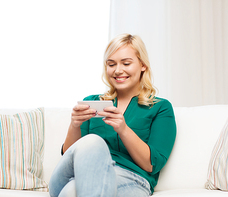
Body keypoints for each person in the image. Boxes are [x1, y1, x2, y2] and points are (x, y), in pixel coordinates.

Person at [49, 33, 176, 197]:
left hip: (132, 179)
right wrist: (74, 125)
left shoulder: (160, 108)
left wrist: (123, 129)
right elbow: (69, 156)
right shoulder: (91, 102)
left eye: (126, 63)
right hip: (80, 173)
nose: (117, 70)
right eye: (111, 64)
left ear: (143, 65)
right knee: (92, 142)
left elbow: (151, 165)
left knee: (72, 191)